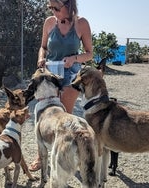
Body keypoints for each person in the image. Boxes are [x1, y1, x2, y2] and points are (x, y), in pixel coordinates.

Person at [29, 0, 93, 171]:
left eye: (56, 7)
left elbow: (89, 54)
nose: (54, 11)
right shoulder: (49, 23)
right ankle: (41, 156)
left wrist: (74, 59)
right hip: (51, 76)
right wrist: (40, 58)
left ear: (69, 4)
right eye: (51, 8)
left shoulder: (82, 24)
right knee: (44, 114)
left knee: (64, 117)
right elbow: (43, 47)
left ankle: (63, 154)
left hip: (71, 75)